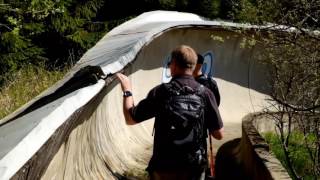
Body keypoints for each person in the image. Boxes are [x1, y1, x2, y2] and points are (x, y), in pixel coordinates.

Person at [116, 45, 224, 180]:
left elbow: (130, 119)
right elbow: (219, 134)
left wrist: (127, 90)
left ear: (173, 65)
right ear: (194, 66)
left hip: (164, 166)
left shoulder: (160, 92)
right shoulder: (206, 94)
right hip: (194, 167)